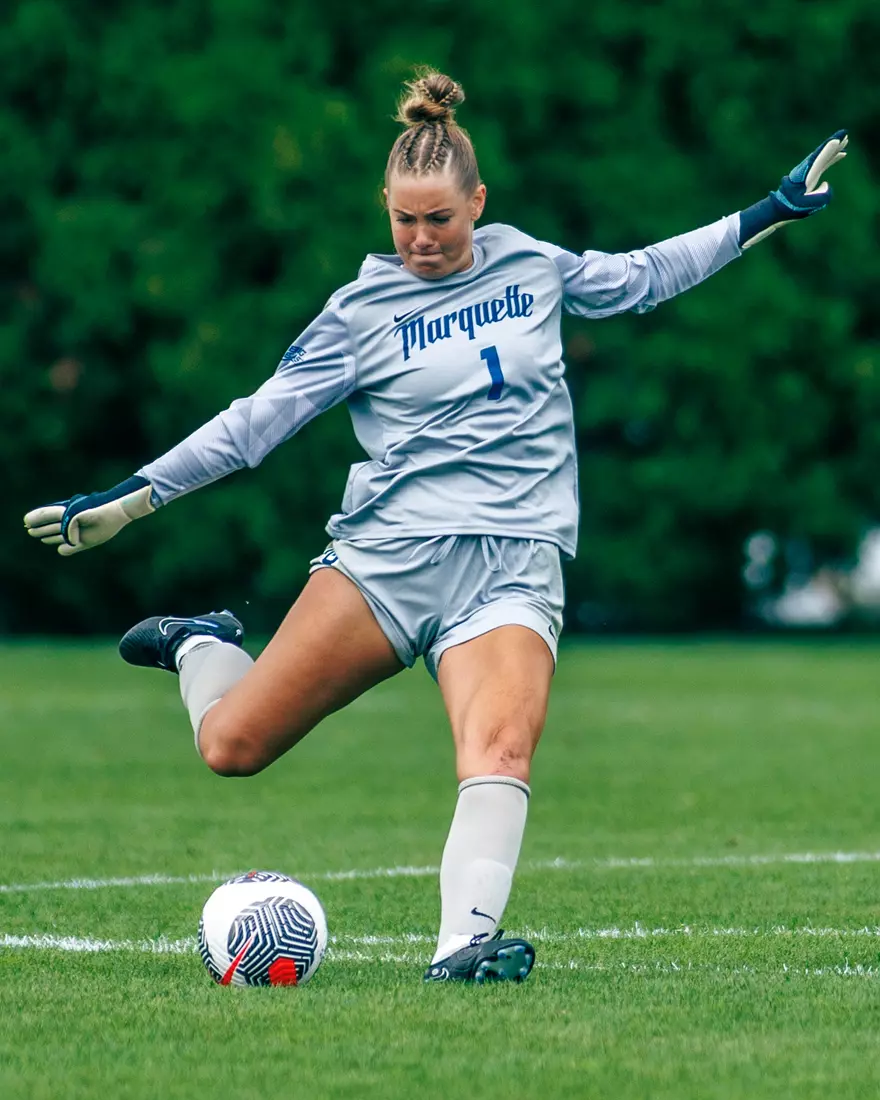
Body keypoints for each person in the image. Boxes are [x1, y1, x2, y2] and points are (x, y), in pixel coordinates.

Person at [24, 71, 847, 984]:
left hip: (511, 564)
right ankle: (199, 645)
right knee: (232, 747)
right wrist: (137, 495)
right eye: (404, 220)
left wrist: (763, 213)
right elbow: (254, 423)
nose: (421, 239)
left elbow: (645, 276)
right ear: (384, 206)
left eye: (441, 221)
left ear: (477, 203)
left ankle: (464, 946)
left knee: (498, 748)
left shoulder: (532, 265)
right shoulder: (359, 313)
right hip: (386, 562)